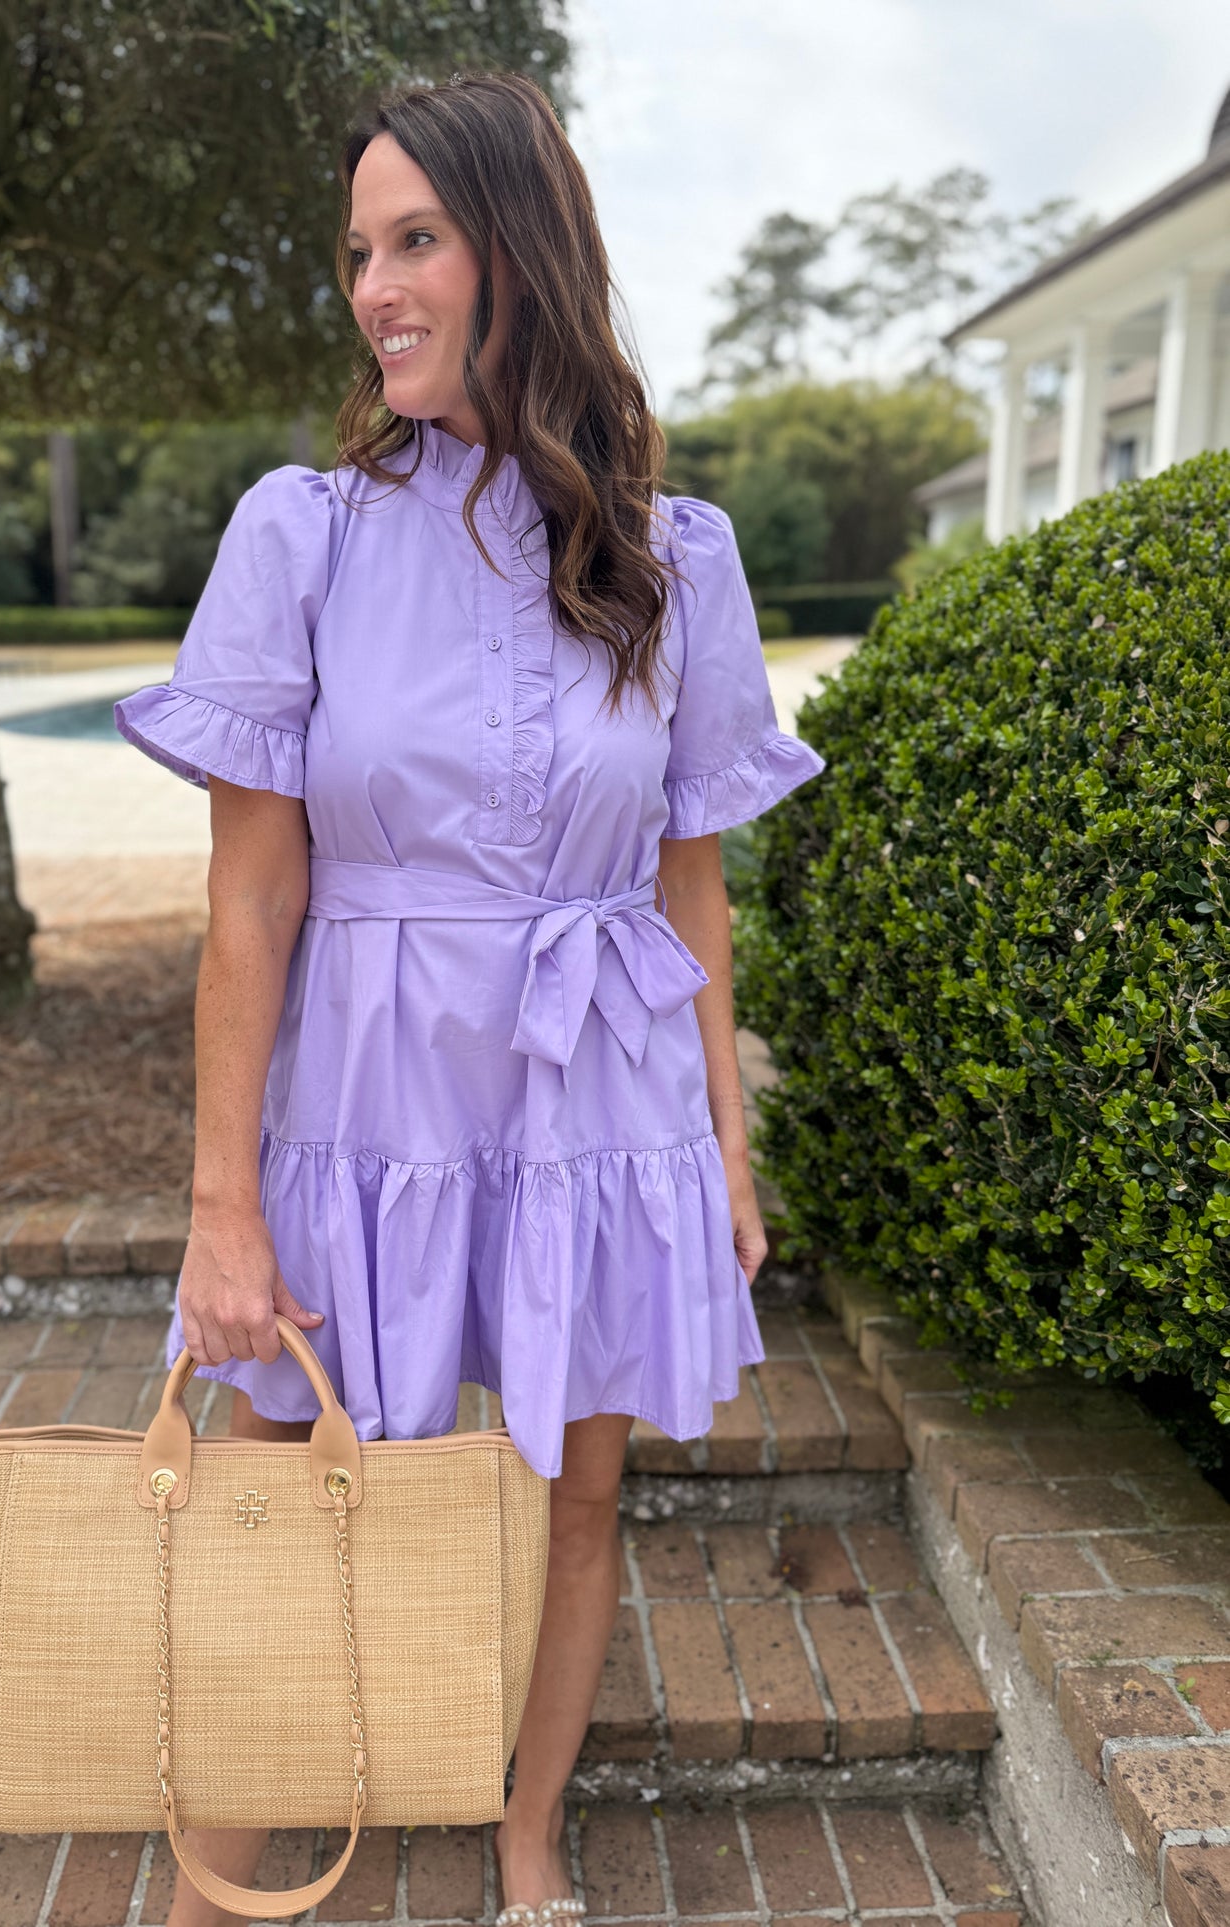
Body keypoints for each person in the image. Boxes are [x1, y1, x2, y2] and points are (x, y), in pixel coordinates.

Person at [114, 68, 825, 1927]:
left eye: (413, 239)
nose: (374, 288)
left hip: (597, 1099)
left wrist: (724, 1158)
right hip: (364, 1107)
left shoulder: (676, 556)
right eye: (359, 252)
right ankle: (220, 1896)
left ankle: (525, 1845)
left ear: (523, 252)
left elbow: (692, 885)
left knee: (577, 1501)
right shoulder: (307, 535)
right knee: (292, 1495)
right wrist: (218, 1205)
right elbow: (251, 906)